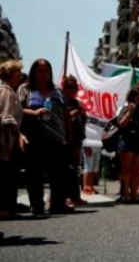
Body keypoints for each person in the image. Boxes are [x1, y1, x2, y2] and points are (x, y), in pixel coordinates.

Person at [19, 59, 73, 215]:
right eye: (40, 71)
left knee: (58, 174)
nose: (44, 75)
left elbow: (66, 114)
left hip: (56, 138)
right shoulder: (24, 89)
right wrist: (34, 113)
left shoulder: (57, 91)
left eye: (47, 71)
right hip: (33, 138)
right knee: (34, 174)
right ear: (33, 73)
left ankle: (56, 203)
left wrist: (68, 136)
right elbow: (17, 110)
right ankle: (37, 205)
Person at [115, 86, 139, 203]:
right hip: (126, 141)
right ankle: (125, 194)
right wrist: (130, 112)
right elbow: (121, 124)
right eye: (138, 98)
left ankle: (135, 194)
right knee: (126, 169)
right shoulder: (125, 109)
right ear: (132, 99)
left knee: (137, 170)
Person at [0, 60, 27, 220]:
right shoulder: (6, 91)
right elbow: (6, 118)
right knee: (3, 179)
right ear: (11, 75)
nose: (20, 78)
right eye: (18, 75)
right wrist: (19, 135)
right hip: (3, 143)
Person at [61, 75, 87, 205]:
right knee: (65, 169)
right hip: (64, 139)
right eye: (68, 87)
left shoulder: (78, 103)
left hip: (77, 138)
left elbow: (83, 122)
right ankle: (65, 196)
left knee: (76, 168)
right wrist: (74, 113)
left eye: (73, 88)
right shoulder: (60, 102)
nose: (71, 90)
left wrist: (82, 114)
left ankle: (75, 195)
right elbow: (60, 119)